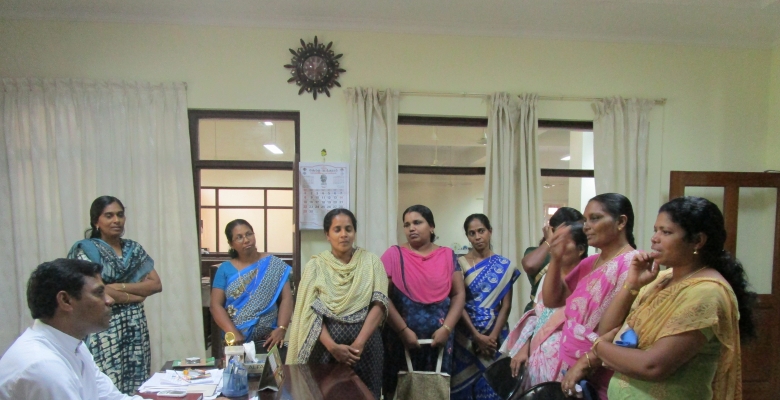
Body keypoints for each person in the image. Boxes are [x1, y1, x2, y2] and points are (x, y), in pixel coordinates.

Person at [561, 196, 755, 400]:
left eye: (666, 232)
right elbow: (607, 330)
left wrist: (598, 348)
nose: (655, 238)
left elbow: (652, 366)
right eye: (656, 230)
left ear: (698, 241)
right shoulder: (661, 279)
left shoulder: (706, 292)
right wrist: (632, 285)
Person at [527, 193, 639, 399]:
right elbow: (552, 300)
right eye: (586, 220)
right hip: (568, 364)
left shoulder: (634, 265)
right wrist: (556, 259)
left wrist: (585, 364)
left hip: (599, 370)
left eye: (595, 218)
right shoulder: (590, 262)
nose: (586, 227)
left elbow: (625, 329)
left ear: (621, 222)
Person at [0, 258, 145, 400]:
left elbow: (110, 397)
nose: (110, 300)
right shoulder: (43, 366)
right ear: (65, 300)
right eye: (99, 293)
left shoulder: (74, 345)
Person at [287, 208, 389, 399]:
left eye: (348, 229)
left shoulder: (372, 262)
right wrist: (332, 346)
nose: (344, 234)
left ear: (354, 232)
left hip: (366, 349)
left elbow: (380, 305)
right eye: (337, 229)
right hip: (325, 350)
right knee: (327, 394)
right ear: (327, 234)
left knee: (366, 394)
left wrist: (358, 344)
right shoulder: (315, 266)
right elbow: (309, 312)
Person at [66, 196, 162, 394]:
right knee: (106, 382)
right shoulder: (87, 250)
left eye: (120, 215)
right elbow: (98, 290)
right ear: (96, 221)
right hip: (102, 325)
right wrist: (135, 295)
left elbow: (155, 284)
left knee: (136, 380)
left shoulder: (133, 249)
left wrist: (117, 286)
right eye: (109, 216)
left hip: (135, 324)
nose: (116, 220)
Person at [381, 204, 466, 397]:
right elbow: (382, 297)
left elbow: (458, 294)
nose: (411, 228)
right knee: (400, 391)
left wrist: (446, 329)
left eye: (417, 222)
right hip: (401, 340)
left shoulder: (447, 255)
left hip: (439, 342)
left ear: (432, 227)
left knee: (436, 391)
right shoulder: (393, 255)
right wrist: (403, 331)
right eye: (407, 224)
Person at [501, 221, 588, 388]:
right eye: (555, 242)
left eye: (564, 242)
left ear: (581, 249)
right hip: (535, 361)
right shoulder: (549, 278)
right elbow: (536, 316)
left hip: (566, 366)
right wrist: (523, 347)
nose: (557, 247)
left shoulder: (588, 281)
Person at [451, 214, 521, 400]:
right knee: (462, 388)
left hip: (494, 337)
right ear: (467, 236)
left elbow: (506, 306)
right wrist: (475, 336)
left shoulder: (504, 266)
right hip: (465, 336)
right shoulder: (459, 264)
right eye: (472, 233)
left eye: (481, 231)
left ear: (490, 231)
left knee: (493, 386)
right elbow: (457, 301)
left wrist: (492, 337)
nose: (477, 237)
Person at [211, 219, 293, 351]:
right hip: (236, 340)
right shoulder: (225, 269)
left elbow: (286, 298)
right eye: (239, 237)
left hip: (269, 340)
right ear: (231, 244)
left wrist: (282, 328)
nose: (246, 240)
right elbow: (215, 305)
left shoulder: (274, 265)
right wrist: (232, 331)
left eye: (248, 234)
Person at [520, 207, 584, 313]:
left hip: (570, 311)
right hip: (539, 312)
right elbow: (530, 265)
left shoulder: (580, 254)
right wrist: (551, 239)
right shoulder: (536, 253)